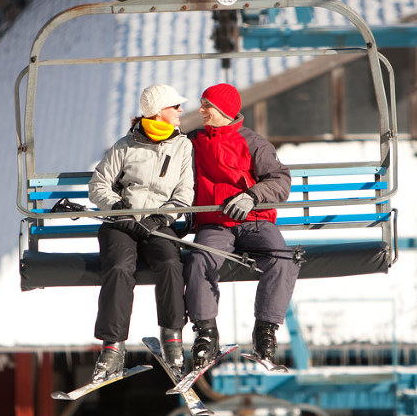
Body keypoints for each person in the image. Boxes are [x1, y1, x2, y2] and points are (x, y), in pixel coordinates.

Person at [184, 83, 300, 369]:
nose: (201, 110)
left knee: (283, 257)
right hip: (215, 223)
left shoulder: (254, 143)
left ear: (223, 110)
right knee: (200, 258)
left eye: (206, 105)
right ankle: (206, 334)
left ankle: (265, 333)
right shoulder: (193, 142)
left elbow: (280, 182)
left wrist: (252, 196)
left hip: (254, 221)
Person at [88, 84, 194, 382]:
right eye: (175, 107)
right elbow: (99, 185)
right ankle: (113, 348)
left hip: (158, 224)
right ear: (159, 111)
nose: (180, 111)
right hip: (121, 225)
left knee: (171, 264)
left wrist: (163, 217)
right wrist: (119, 210)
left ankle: (172, 337)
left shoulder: (182, 146)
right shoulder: (126, 145)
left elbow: (185, 191)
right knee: (120, 268)